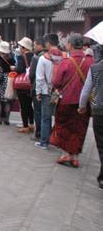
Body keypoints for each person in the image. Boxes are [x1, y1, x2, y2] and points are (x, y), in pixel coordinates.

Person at [50, 34, 93, 167]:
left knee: (63, 126)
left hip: (66, 100)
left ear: (71, 45)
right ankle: (75, 156)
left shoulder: (66, 62)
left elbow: (56, 82)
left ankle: (65, 154)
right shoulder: (90, 61)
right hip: (84, 102)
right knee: (80, 128)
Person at [79, 45, 103, 189]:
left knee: (101, 144)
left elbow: (87, 89)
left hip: (99, 109)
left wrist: (82, 105)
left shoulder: (95, 68)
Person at [35, 34, 63, 150]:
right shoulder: (65, 56)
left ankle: (44, 142)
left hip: (47, 92)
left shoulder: (43, 58)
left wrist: (38, 92)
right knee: (59, 118)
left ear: (48, 43)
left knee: (45, 118)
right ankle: (58, 141)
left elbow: (39, 78)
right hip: (60, 92)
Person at [13, 37, 34, 134]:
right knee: (29, 105)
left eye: (21, 47)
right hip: (31, 84)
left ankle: (25, 126)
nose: (20, 49)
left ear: (24, 48)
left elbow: (20, 69)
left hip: (22, 85)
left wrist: (14, 68)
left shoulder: (22, 57)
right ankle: (31, 124)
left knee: (23, 106)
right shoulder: (34, 56)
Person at [28, 37, 46, 141]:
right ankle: (46, 134)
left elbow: (31, 75)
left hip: (37, 88)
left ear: (40, 45)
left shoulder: (36, 58)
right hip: (48, 89)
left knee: (38, 112)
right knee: (46, 114)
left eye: (35, 45)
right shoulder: (51, 56)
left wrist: (32, 84)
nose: (34, 47)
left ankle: (39, 133)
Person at [0, 41, 14, 125]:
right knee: (8, 101)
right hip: (9, 79)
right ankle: (7, 119)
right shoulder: (11, 58)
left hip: (0, 79)